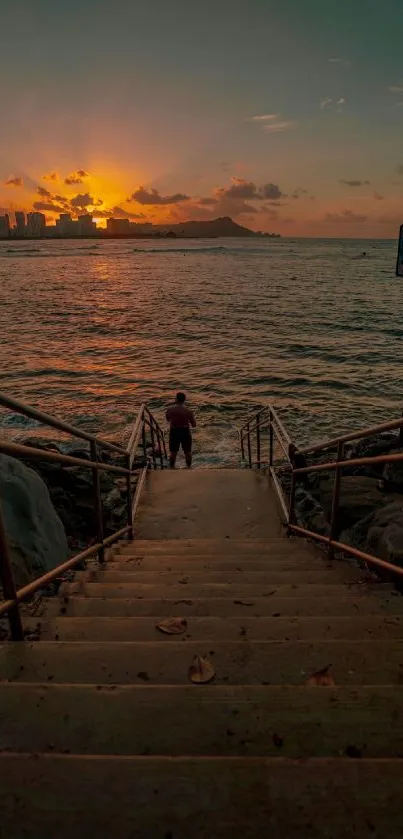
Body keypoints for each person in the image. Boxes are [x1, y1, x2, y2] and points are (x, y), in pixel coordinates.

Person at [166, 392, 196, 469]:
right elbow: (194, 425)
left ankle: (172, 468)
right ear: (184, 400)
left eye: (175, 398)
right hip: (185, 431)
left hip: (174, 431)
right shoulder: (188, 411)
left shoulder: (170, 409)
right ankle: (189, 467)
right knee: (187, 452)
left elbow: (168, 419)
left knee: (173, 452)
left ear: (177, 399)